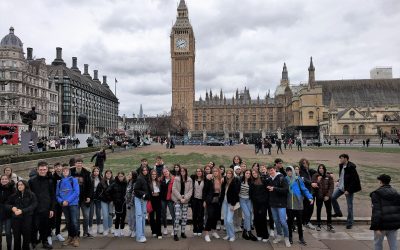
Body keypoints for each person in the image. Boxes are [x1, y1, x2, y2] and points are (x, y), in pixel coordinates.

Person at [28, 161, 55, 250]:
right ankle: (33, 241)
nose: (43, 171)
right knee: (34, 226)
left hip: (46, 208)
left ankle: (44, 242)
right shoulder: (31, 181)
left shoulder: (50, 181)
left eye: (44, 169)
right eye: (41, 169)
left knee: (45, 226)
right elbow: (29, 195)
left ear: (47, 169)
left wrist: (51, 209)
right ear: (37, 169)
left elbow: (52, 196)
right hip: (34, 208)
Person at [331, 154, 361, 229]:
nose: (340, 160)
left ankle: (350, 222)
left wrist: (349, 190)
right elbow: (342, 176)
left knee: (349, 206)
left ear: (346, 159)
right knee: (332, 197)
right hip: (341, 187)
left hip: (348, 189)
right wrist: (338, 181)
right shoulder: (341, 165)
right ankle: (338, 213)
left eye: (341, 158)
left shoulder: (351, 167)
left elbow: (354, 180)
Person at [370, 174, 400, 250]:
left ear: (380, 182)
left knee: (378, 245)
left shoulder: (376, 194)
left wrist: (376, 227)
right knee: (394, 245)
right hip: (393, 224)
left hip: (381, 225)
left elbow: (376, 211)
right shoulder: (396, 193)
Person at [285, 166, 313, 245]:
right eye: (287, 171)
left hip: (298, 204)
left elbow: (304, 189)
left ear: (293, 171)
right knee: (290, 223)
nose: (289, 172)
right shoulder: (285, 179)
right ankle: (290, 237)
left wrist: (310, 197)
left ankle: (301, 238)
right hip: (289, 205)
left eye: (290, 171)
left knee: (299, 222)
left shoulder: (298, 179)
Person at [7, 180, 37, 250]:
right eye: (18, 185)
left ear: (25, 185)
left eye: (21, 185)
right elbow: (7, 204)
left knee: (26, 237)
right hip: (16, 219)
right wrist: (12, 207)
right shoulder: (14, 195)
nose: (19, 186)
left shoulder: (31, 194)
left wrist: (22, 211)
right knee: (16, 237)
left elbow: (34, 205)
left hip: (27, 218)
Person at [266, 165, 291, 248]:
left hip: (281, 204)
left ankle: (287, 238)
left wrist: (274, 188)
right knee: (276, 221)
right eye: (269, 171)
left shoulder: (281, 178)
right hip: (273, 204)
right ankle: (279, 235)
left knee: (283, 221)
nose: (271, 172)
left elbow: (286, 190)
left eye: (272, 170)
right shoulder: (269, 179)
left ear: (275, 170)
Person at [56, 165, 80, 247]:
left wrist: (68, 201)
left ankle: (75, 238)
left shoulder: (74, 180)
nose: (65, 172)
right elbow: (57, 195)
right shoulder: (59, 182)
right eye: (64, 171)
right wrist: (62, 201)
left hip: (73, 204)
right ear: (62, 172)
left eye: (67, 170)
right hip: (64, 205)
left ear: (69, 172)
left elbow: (76, 192)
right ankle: (70, 237)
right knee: (68, 222)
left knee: (74, 221)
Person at [70, 158, 93, 237]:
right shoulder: (71, 172)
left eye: (80, 163)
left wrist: (89, 196)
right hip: (75, 198)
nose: (79, 164)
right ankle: (77, 231)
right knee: (76, 217)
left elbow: (90, 186)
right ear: (75, 164)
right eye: (77, 163)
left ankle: (85, 232)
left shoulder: (87, 173)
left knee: (86, 216)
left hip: (84, 198)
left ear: (82, 164)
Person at [171, 166, 193, 241]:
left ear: (186, 171)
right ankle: (175, 233)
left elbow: (191, 190)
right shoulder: (176, 179)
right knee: (177, 217)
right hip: (177, 200)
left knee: (184, 217)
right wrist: (180, 197)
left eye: (184, 171)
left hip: (185, 201)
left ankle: (183, 232)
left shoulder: (189, 180)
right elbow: (174, 189)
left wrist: (185, 198)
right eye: (181, 171)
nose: (182, 172)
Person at [312, 164, 335, 232]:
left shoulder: (328, 176)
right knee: (318, 210)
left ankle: (329, 225)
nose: (321, 169)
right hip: (319, 196)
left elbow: (331, 186)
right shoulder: (315, 176)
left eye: (322, 168)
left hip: (327, 197)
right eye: (319, 168)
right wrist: (317, 181)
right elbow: (313, 185)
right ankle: (318, 224)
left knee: (329, 210)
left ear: (324, 169)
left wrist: (328, 195)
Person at [203, 166, 223, 242]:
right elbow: (205, 191)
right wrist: (204, 201)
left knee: (216, 217)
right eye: (214, 171)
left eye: (216, 171)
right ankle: (207, 234)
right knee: (210, 216)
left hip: (218, 200)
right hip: (210, 200)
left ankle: (214, 232)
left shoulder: (221, 180)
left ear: (219, 172)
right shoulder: (209, 180)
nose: (215, 172)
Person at [249, 170, 270, 242]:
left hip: (263, 203)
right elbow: (251, 193)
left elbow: (267, 192)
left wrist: (264, 201)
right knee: (256, 219)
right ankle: (259, 234)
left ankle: (265, 235)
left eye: (255, 173)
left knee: (262, 219)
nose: (254, 174)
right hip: (255, 203)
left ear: (258, 173)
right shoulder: (252, 182)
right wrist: (253, 199)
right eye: (253, 173)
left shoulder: (264, 180)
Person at [220, 168, 239, 242]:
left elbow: (235, 194)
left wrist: (233, 205)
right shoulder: (225, 181)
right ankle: (228, 234)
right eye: (227, 173)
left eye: (230, 173)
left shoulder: (235, 181)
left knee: (229, 220)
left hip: (231, 203)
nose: (228, 174)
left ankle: (232, 235)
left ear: (232, 174)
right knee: (225, 220)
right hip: (224, 202)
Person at [106, 172, 127, 237]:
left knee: (123, 217)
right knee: (117, 217)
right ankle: (116, 229)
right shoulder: (114, 184)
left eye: (121, 176)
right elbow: (107, 191)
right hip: (117, 203)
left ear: (124, 176)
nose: (120, 177)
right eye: (119, 176)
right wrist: (112, 199)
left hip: (124, 203)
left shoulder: (126, 183)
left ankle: (122, 230)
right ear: (117, 177)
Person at [134, 166, 151, 243]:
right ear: (141, 171)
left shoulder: (147, 178)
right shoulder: (139, 178)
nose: (145, 171)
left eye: (146, 170)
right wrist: (144, 194)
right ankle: (139, 236)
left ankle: (142, 234)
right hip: (138, 199)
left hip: (144, 200)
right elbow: (136, 190)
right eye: (143, 170)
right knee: (139, 216)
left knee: (143, 216)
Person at [299, 158, 317, 230]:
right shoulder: (301, 171)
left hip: (312, 192)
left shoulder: (310, 171)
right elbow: (303, 179)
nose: (305, 164)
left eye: (306, 163)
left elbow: (319, 172)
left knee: (311, 208)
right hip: (306, 193)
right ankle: (303, 222)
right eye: (303, 163)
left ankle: (308, 221)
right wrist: (311, 183)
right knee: (305, 208)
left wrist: (328, 174)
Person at [239, 169, 257, 241]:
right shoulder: (240, 180)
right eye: (247, 173)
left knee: (249, 214)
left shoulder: (251, 182)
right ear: (244, 174)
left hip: (248, 200)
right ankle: (249, 232)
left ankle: (244, 232)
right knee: (247, 215)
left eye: (249, 173)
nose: (248, 174)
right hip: (242, 199)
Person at [0, 175, 16, 250]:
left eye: (5, 179)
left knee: (8, 232)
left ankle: (9, 247)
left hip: (8, 214)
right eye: (2, 179)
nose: (4, 180)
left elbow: (14, 201)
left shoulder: (12, 189)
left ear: (8, 180)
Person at [96, 170, 114, 236]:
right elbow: (98, 192)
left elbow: (115, 191)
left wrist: (113, 199)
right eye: (107, 173)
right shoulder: (101, 182)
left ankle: (110, 228)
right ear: (105, 174)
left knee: (110, 215)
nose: (108, 175)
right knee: (105, 215)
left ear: (111, 174)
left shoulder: (113, 182)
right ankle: (105, 229)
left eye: (109, 173)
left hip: (111, 201)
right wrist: (102, 198)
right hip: (104, 201)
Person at [160, 168, 175, 236]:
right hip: (163, 199)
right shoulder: (161, 180)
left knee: (172, 214)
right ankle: (165, 228)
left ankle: (174, 229)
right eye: (164, 172)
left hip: (170, 199)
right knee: (163, 214)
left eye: (166, 171)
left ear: (169, 172)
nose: (165, 173)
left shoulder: (173, 179)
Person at [191, 168, 205, 236]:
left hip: (202, 200)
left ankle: (200, 228)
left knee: (200, 215)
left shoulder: (205, 180)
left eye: (200, 171)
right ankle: (195, 228)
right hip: (194, 199)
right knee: (194, 215)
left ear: (202, 172)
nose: (199, 172)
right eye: (197, 171)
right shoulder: (193, 179)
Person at [149, 170, 162, 239]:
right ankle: (153, 231)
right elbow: (148, 191)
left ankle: (159, 233)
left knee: (158, 217)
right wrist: (152, 194)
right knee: (151, 217)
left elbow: (161, 191)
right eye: (152, 174)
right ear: (150, 175)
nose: (154, 175)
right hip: (151, 200)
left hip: (158, 200)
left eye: (155, 174)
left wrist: (158, 194)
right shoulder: (148, 183)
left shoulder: (159, 182)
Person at [89, 167, 102, 235]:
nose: (96, 172)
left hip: (98, 198)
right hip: (91, 197)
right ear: (93, 172)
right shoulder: (90, 178)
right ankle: (90, 228)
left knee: (98, 213)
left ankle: (98, 227)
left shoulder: (101, 179)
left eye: (97, 171)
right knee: (91, 213)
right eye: (95, 171)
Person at [125, 171, 137, 238]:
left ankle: (134, 230)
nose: (129, 175)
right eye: (129, 174)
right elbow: (126, 192)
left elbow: (133, 194)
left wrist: (131, 203)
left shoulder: (134, 183)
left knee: (133, 217)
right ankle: (130, 229)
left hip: (132, 203)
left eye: (130, 174)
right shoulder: (128, 182)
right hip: (127, 202)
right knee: (129, 217)